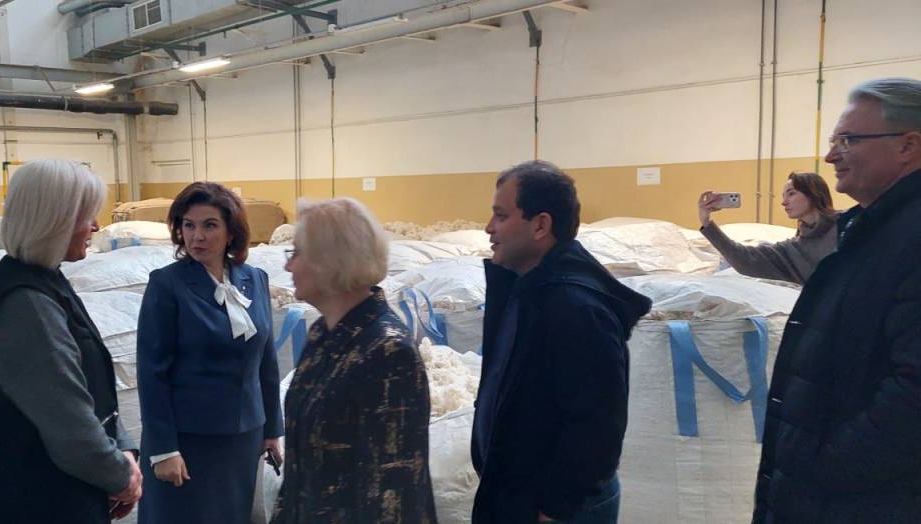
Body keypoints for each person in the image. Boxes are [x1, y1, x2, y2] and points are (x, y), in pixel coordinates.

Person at [753, 77, 921, 523]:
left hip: (860, 499)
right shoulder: (869, 231)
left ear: (908, 146)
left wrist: (824, 466)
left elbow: (912, 395)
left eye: (847, 141)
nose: (830, 157)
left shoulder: (909, 237)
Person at [471, 160, 652, 524]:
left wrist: (555, 506)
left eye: (501, 216)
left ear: (540, 225)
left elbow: (597, 424)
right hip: (522, 491)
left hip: (556, 508)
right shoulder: (526, 288)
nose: (489, 228)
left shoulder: (575, 307)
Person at [0, 159, 142, 523]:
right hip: (38, 503)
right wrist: (121, 476)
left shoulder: (48, 281)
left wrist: (124, 450)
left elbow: (89, 389)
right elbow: (68, 423)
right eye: (87, 216)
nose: (96, 226)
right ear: (54, 220)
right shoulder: (26, 304)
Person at [271, 198, 437, 523]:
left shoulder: (388, 352)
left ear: (329, 261)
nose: (288, 266)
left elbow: (394, 495)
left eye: (297, 253)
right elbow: (299, 470)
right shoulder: (322, 334)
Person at [136, 182, 282, 523]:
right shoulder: (167, 284)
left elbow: (266, 361)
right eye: (188, 225)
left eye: (209, 225)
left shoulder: (255, 279)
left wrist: (272, 429)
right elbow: (152, 372)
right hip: (187, 440)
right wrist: (163, 448)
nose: (196, 236)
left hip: (243, 438)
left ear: (231, 232)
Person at [696, 172, 838, 284]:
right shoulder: (793, 249)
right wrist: (707, 222)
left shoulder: (845, 226)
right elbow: (743, 257)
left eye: (791, 193)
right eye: (783, 196)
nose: (784, 202)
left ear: (813, 193)